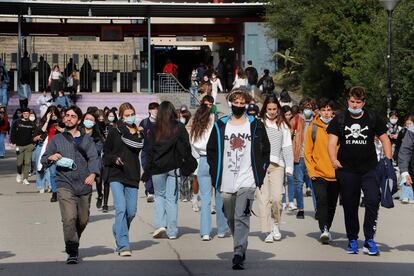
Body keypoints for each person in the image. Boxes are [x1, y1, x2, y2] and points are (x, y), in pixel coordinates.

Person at [207, 89, 270, 270]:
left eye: (243, 103)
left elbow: (265, 149)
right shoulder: (221, 125)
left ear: (247, 104)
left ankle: (238, 252)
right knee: (230, 214)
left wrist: (261, 171)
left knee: (241, 215)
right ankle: (239, 242)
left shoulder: (255, 125)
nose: (239, 106)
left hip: (247, 178)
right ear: (230, 103)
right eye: (236, 102)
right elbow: (212, 151)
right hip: (226, 178)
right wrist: (214, 173)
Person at [327, 86, 392, 256]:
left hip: (369, 168)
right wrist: (334, 160)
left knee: (372, 200)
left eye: (358, 102)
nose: (354, 105)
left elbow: (385, 140)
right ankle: (352, 239)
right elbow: (332, 142)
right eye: (351, 101)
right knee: (350, 204)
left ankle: (369, 239)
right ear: (348, 100)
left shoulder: (372, 118)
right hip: (346, 170)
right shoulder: (340, 119)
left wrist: (388, 161)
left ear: (363, 102)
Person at [41, 105, 100, 264]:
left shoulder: (86, 140)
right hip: (64, 183)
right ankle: (72, 250)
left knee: (82, 219)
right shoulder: (57, 139)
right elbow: (44, 158)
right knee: (69, 218)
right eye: (67, 115)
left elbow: (94, 158)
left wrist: (93, 174)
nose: (68, 118)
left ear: (78, 120)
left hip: (84, 184)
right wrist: (50, 157)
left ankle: (73, 238)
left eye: (73, 116)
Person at [143, 101, 196, 240]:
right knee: (172, 200)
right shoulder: (179, 127)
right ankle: (172, 231)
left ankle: (160, 225)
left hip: (157, 168)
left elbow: (148, 151)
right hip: (174, 167)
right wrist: (188, 163)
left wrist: (147, 169)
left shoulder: (154, 129)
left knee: (159, 196)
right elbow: (186, 147)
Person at [103, 103, 143, 256]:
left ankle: (117, 230)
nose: (130, 116)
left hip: (132, 174)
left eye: (132, 113)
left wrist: (137, 133)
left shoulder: (139, 133)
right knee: (121, 208)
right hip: (116, 174)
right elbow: (105, 152)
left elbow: (138, 147)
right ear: (121, 116)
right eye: (127, 114)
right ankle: (123, 245)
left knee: (131, 211)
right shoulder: (114, 131)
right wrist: (114, 159)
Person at [257, 96, 293, 243]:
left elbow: (287, 147)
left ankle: (276, 224)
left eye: (274, 109)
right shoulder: (259, 123)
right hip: (261, 166)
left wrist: (289, 166)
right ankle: (267, 230)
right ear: (265, 108)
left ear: (278, 108)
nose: (272, 112)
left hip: (277, 166)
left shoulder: (283, 125)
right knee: (263, 199)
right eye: (269, 109)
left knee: (277, 198)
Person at [190, 104, 228, 241]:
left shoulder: (195, 130)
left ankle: (205, 231)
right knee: (219, 195)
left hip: (202, 161)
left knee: (205, 198)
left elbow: (194, 150)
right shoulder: (215, 126)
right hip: (217, 161)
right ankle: (222, 229)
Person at [304, 98, 339, 244]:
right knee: (322, 200)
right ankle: (323, 229)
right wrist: (312, 172)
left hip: (336, 173)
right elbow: (308, 152)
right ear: (318, 111)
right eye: (323, 110)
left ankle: (327, 227)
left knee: (331, 204)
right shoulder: (313, 127)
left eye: (329, 110)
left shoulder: (340, 126)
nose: (326, 113)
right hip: (318, 173)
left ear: (333, 111)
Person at [290, 97, 317, 219]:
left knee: (314, 185)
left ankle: (317, 209)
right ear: (302, 108)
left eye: (310, 108)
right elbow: (289, 137)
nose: (308, 110)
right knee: (299, 184)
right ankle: (300, 209)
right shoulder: (296, 120)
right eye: (306, 108)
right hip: (299, 156)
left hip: (313, 158)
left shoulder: (317, 121)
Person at [32, 106, 63, 199]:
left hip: (60, 149)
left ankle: (61, 189)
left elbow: (66, 133)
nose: (53, 115)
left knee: (61, 172)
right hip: (48, 149)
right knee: (52, 172)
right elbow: (41, 131)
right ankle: (54, 192)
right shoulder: (45, 122)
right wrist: (48, 120)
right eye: (51, 113)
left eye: (54, 113)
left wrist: (59, 127)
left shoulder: (61, 122)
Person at [81, 112, 105, 209]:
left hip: (95, 160)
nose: (88, 121)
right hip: (82, 162)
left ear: (94, 123)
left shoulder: (97, 135)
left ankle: (100, 195)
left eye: (91, 120)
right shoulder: (78, 133)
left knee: (98, 180)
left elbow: (98, 149)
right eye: (87, 119)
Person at [139, 102, 159, 203]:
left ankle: (155, 191)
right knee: (147, 170)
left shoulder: (162, 123)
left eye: (156, 109)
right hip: (146, 151)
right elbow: (140, 136)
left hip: (158, 152)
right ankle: (150, 192)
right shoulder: (144, 122)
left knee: (156, 172)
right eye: (152, 109)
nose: (154, 111)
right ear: (149, 111)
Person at [10, 108, 35, 185]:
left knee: (27, 163)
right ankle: (19, 174)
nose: (26, 115)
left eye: (27, 113)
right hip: (19, 146)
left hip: (29, 145)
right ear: (22, 114)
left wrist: (34, 143)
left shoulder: (32, 124)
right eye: (24, 113)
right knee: (19, 163)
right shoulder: (17, 122)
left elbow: (35, 133)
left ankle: (25, 178)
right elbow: (13, 132)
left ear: (29, 114)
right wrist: (13, 142)